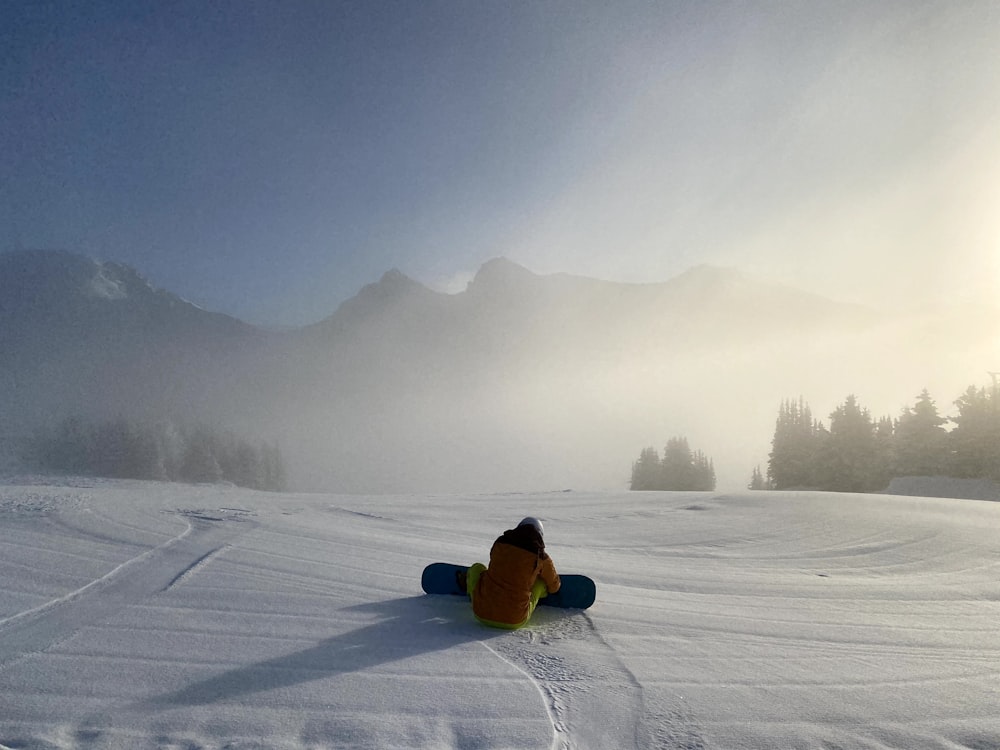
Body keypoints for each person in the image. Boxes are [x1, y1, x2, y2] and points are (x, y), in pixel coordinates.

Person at [465, 516, 561, 629]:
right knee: (540, 582)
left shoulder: (500, 542)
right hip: (514, 620)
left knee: (477, 567)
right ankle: (534, 598)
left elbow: (493, 560)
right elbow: (554, 587)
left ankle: (471, 590)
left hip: (480, 613)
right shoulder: (541, 557)